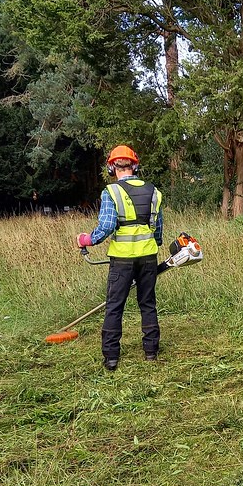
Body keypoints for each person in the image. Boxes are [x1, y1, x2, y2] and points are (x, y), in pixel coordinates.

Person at [76, 145, 163, 371]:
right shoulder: (154, 191)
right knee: (148, 303)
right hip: (148, 256)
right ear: (135, 165)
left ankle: (112, 357)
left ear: (112, 167)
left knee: (115, 306)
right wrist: (154, 244)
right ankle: (151, 352)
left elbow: (106, 226)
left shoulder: (111, 192)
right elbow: (158, 228)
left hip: (122, 259)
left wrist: (87, 240)